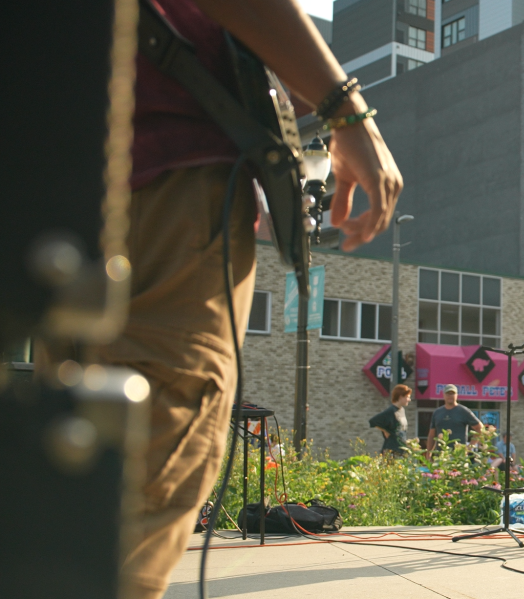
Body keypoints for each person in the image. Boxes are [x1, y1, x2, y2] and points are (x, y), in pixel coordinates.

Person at [32, 2, 404, 597]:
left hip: (76, 163)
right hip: (163, 166)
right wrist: (346, 111)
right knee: (150, 467)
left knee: (84, 461)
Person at [425, 384, 483, 459]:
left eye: (452, 393)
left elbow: (480, 428)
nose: (450, 396)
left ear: (457, 395)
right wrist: (429, 453)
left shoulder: (463, 411)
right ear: (443, 395)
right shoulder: (437, 412)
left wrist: (469, 448)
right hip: (440, 455)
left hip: (458, 456)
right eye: (448, 393)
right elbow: (432, 435)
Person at [369, 384, 411, 455]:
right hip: (391, 450)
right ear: (400, 397)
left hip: (401, 450)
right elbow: (373, 421)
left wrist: (409, 442)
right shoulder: (391, 411)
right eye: (407, 397)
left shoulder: (402, 410)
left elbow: (400, 432)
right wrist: (385, 431)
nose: (409, 400)